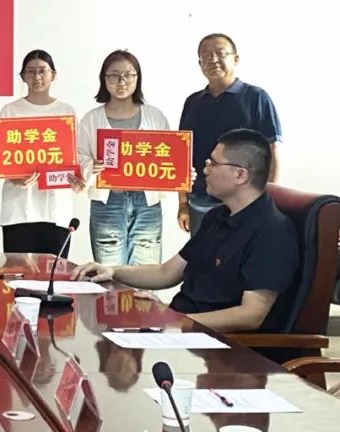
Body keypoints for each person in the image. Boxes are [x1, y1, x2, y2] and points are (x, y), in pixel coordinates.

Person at [72, 129, 298, 333]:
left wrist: (173, 321)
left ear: (240, 175)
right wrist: (112, 271)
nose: (205, 170)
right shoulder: (217, 217)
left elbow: (250, 315)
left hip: (216, 344)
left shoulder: (272, 232)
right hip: (183, 329)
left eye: (212, 163)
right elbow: (166, 273)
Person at [179, 33, 281, 236]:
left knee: (241, 255)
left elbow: (272, 151)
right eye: (206, 55)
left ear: (236, 59)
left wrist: (268, 202)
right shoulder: (193, 102)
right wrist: (182, 203)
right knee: (202, 256)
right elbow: (182, 154)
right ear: (200, 63)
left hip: (243, 205)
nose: (213, 59)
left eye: (220, 53)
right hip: (200, 205)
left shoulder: (256, 97)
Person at [75, 50, 170, 266]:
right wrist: (92, 166)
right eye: (114, 75)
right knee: (109, 270)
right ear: (104, 78)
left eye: (128, 75)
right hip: (107, 201)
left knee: (146, 270)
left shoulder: (154, 116)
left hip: (146, 202)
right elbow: (79, 155)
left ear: (138, 78)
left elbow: (168, 154)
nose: (121, 82)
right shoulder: (91, 119)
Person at [0, 50, 77, 255]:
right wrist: (14, 177)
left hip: (56, 210)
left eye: (42, 71)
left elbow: (74, 156)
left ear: (53, 74)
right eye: (31, 71)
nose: (37, 77)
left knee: (55, 272)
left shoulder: (66, 112)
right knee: (18, 272)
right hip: (18, 209)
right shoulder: (10, 111)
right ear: (23, 76)